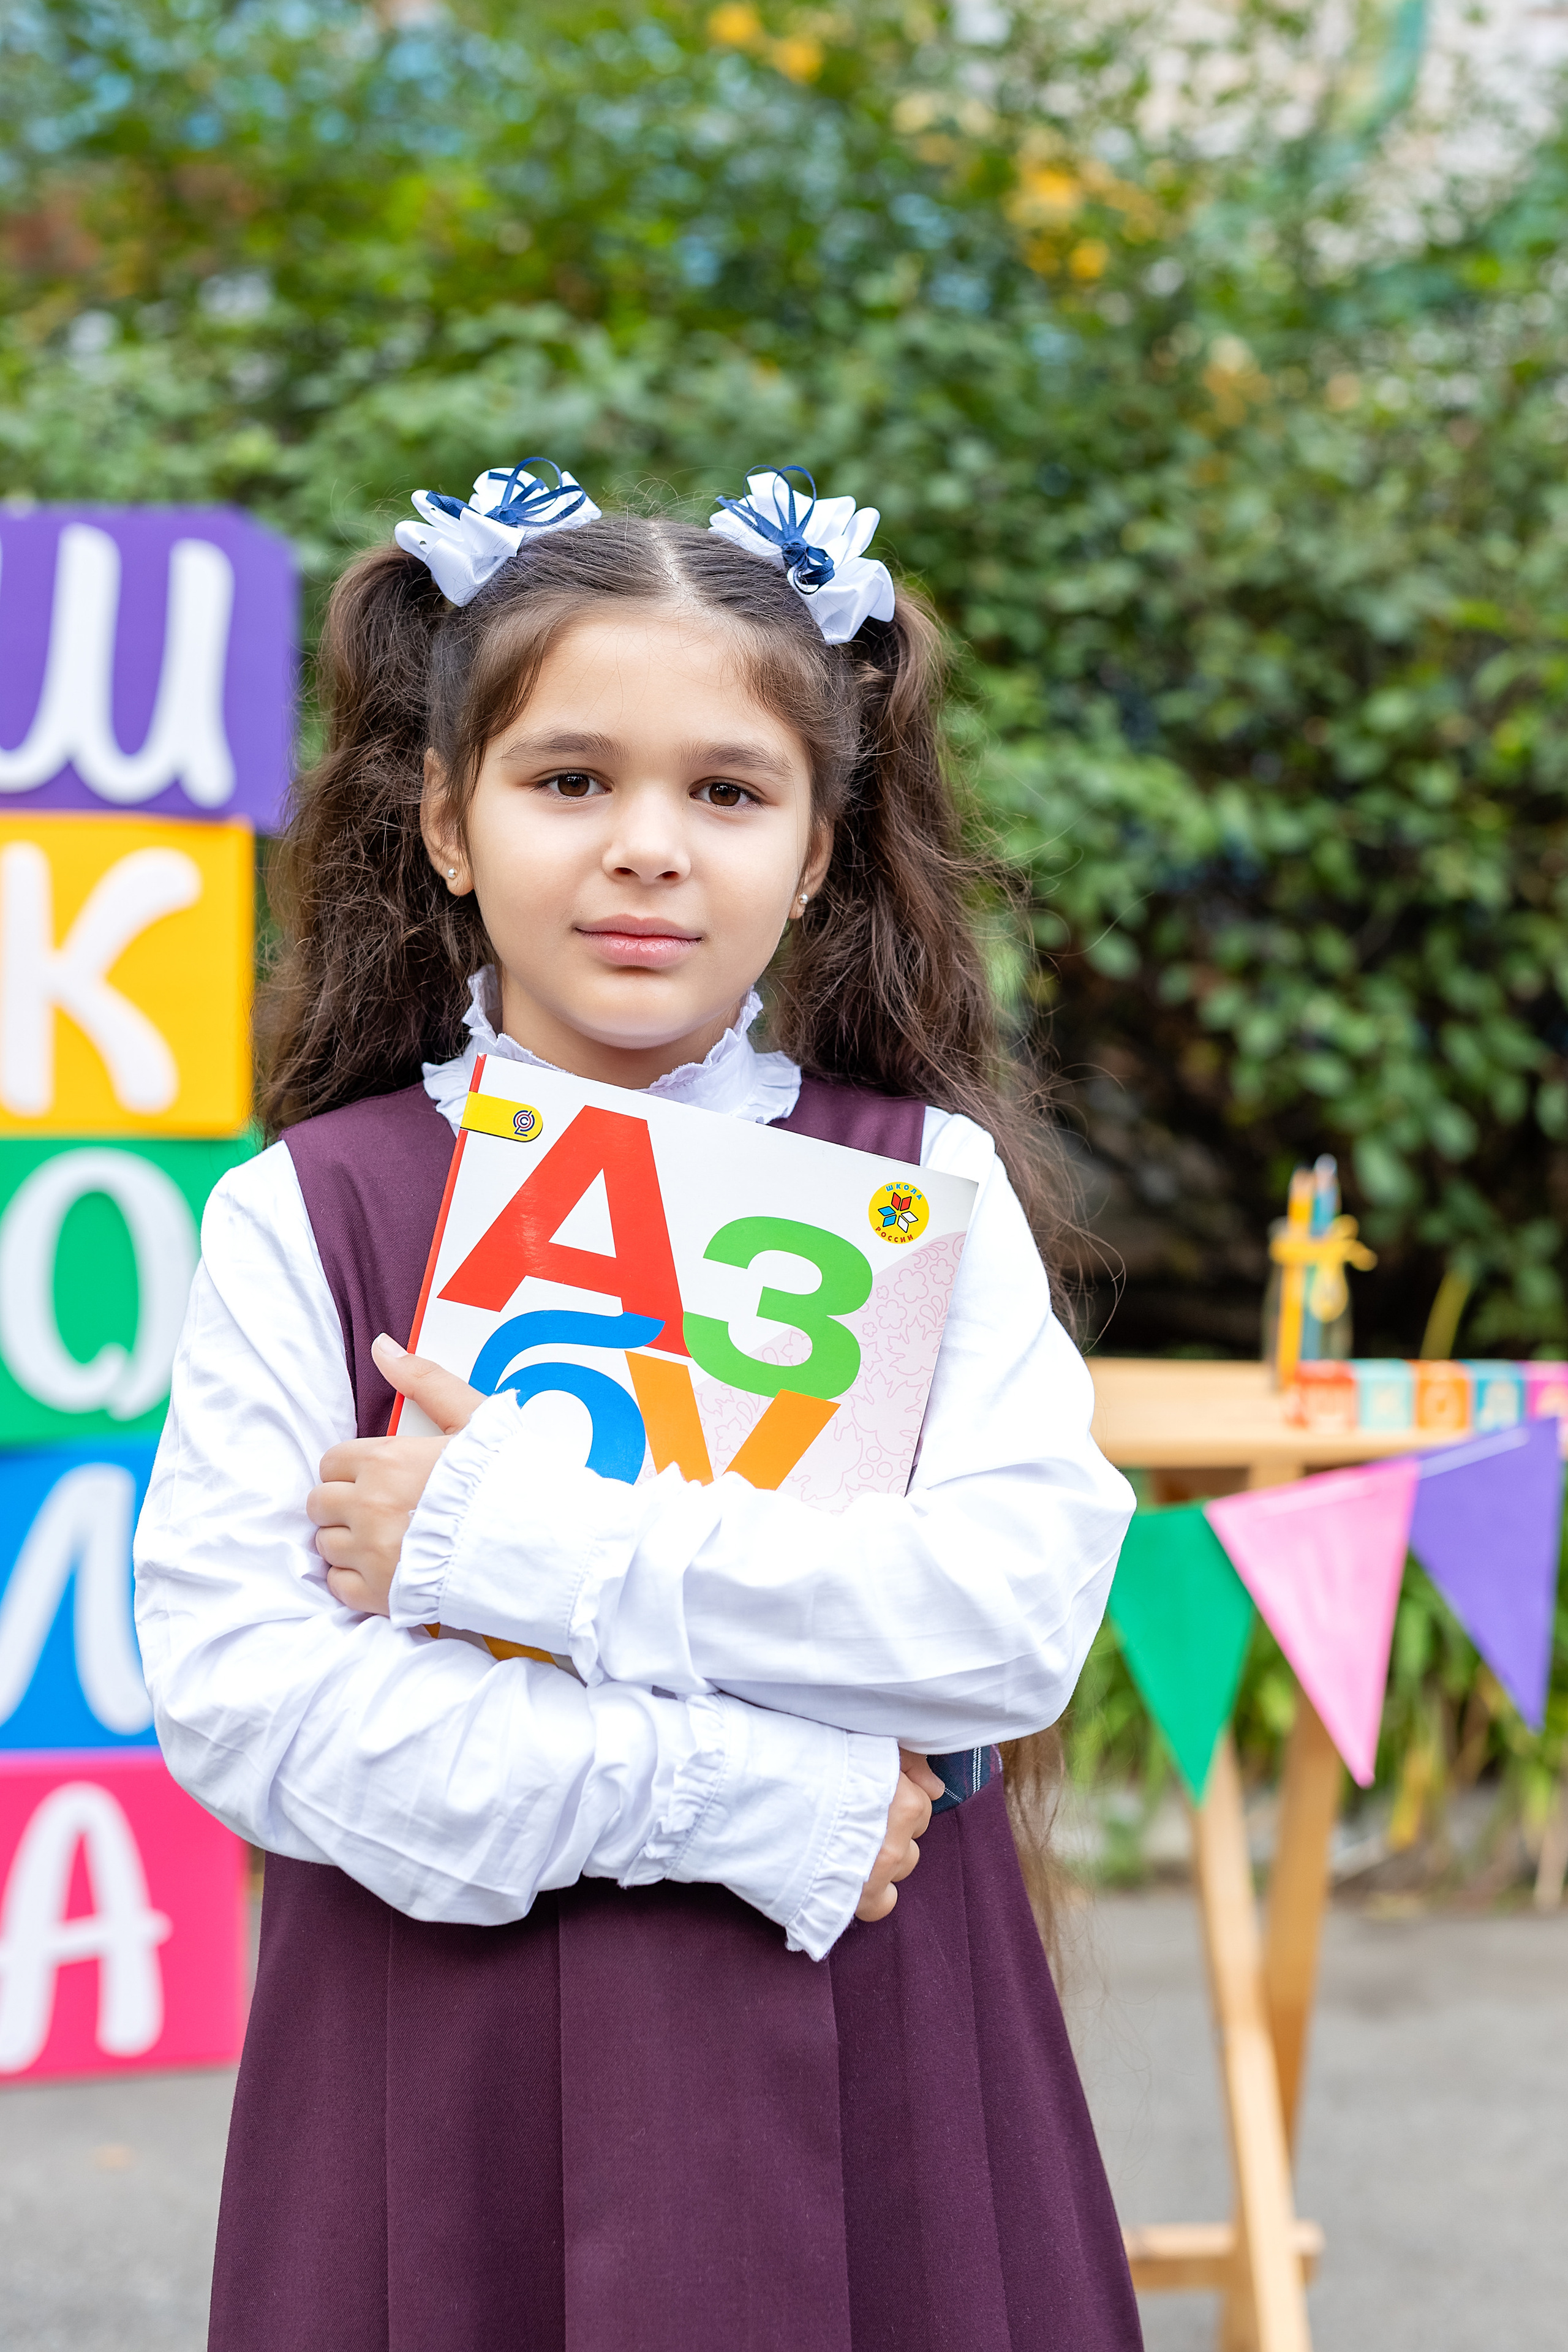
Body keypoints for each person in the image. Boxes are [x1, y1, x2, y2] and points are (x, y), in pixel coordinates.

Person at [134, 461, 1142, 2352]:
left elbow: (1011, 1617)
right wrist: (745, 1790)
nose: (649, 846)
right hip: (445, 2065)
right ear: (445, 820)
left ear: (823, 846)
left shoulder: (924, 1187)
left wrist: (531, 1544)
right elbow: (247, 1696)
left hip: (878, 2038)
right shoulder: (317, 1207)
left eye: (730, 792)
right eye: (570, 778)